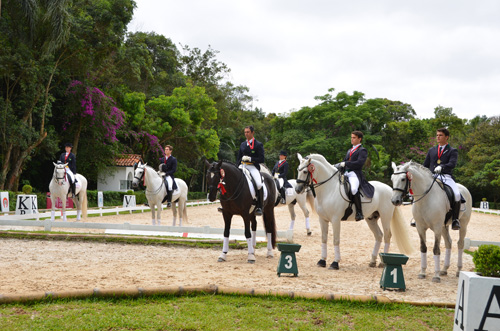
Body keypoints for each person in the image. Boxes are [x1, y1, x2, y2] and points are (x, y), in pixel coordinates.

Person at [423, 128, 461, 230]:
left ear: (446, 137)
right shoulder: (432, 150)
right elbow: (425, 165)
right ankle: (417, 218)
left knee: (457, 194)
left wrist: (442, 167)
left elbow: (452, 164)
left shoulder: (452, 150)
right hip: (432, 176)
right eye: (437, 135)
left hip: (446, 176)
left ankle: (455, 219)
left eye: (440, 135)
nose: (438, 137)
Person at [335, 131, 374, 221]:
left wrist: (346, 163)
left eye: (354, 138)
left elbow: (359, 163)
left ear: (359, 139)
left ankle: (359, 212)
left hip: (354, 174)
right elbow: (345, 161)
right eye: (351, 137)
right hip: (346, 173)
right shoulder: (349, 150)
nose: (352, 139)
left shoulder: (362, 150)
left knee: (353, 189)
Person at [237, 125, 265, 216]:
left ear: (252, 133)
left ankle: (259, 206)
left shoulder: (258, 144)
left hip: (252, 166)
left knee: (259, 184)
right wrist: (237, 167)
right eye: (245, 132)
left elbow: (261, 159)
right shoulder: (242, 144)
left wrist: (250, 158)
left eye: (248, 132)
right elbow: (238, 158)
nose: (246, 134)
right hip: (243, 166)